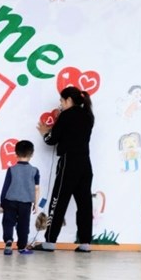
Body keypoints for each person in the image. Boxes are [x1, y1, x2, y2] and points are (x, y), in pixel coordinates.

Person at [36, 85, 95, 252]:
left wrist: (45, 133)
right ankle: (85, 243)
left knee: (58, 201)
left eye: (62, 101)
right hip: (85, 164)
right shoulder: (88, 115)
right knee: (84, 203)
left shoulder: (66, 115)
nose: (61, 104)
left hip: (69, 163)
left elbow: (52, 140)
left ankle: (50, 241)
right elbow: (73, 133)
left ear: (69, 100)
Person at [0, 140, 40, 255]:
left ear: (16, 154)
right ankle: (21, 247)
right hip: (25, 203)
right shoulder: (35, 171)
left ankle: (8, 241)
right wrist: (35, 204)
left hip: (10, 201)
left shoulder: (11, 169)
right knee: (23, 225)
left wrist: (2, 202)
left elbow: (6, 186)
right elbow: (36, 188)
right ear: (32, 154)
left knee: (8, 222)